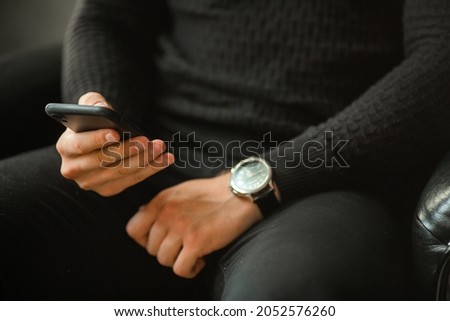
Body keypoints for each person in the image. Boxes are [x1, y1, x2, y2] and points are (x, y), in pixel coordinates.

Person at [1, 0, 449, 300]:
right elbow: (108, 17)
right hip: (157, 154)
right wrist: (101, 122)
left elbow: (440, 59)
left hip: (326, 180)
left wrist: (258, 182)